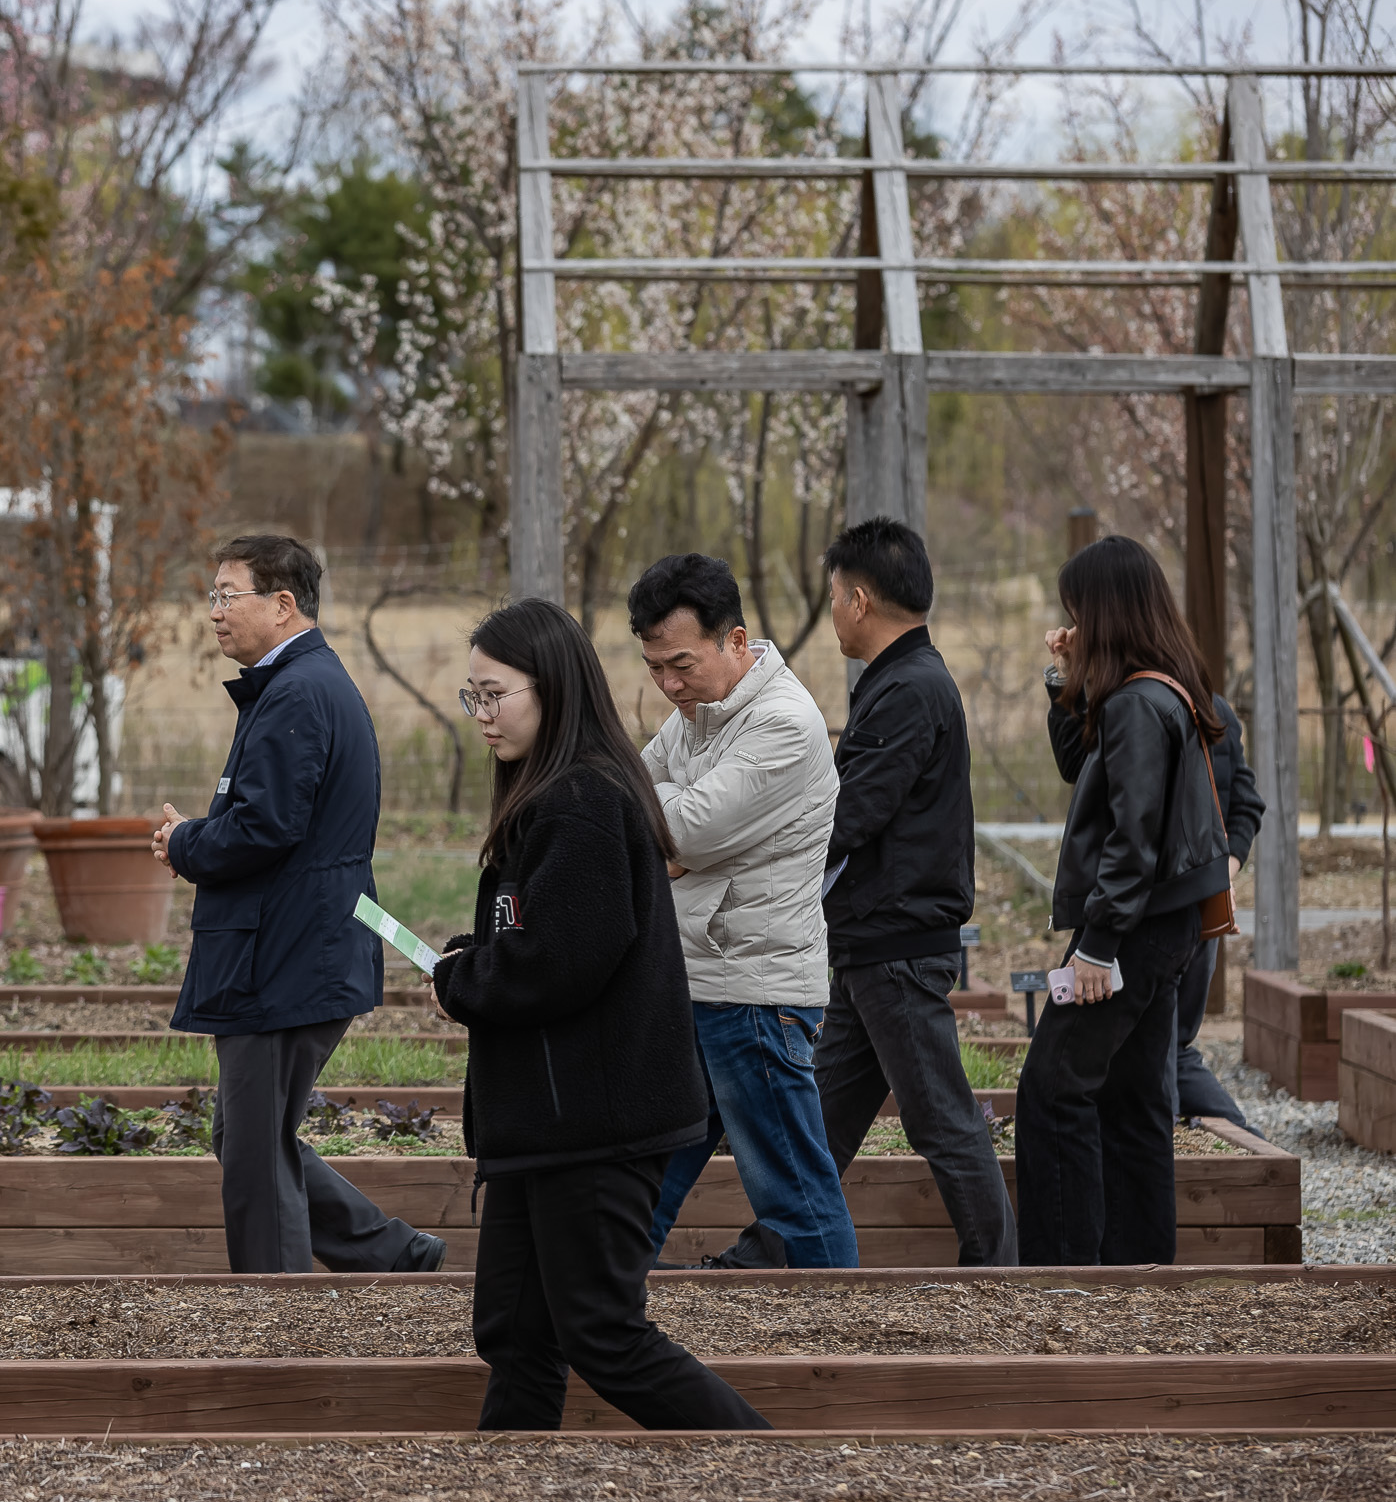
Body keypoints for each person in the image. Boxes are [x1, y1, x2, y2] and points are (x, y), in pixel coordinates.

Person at [431, 599, 770, 1431]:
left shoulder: (582, 800)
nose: (481, 715)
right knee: (516, 1331)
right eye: (470, 695)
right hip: (544, 1125)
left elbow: (559, 964)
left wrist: (466, 978)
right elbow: (539, 932)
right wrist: (475, 950)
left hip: (594, 1121)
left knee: (603, 1331)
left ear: (551, 689)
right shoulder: (550, 794)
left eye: (493, 693)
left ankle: (766, 1461)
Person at [152, 534, 443, 1275]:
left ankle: (275, 1319)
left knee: (253, 1150)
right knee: (248, 1136)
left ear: (283, 605)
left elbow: (265, 827)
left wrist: (187, 842)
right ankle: (395, 1252)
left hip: (281, 954)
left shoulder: (297, 692)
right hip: (290, 946)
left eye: (227, 594)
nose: (213, 612)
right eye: (211, 596)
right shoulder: (298, 685)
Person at [630, 553, 858, 1270]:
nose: (669, 686)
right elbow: (627, 793)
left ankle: (848, 1351)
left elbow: (675, 831)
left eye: (681, 664)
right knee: (647, 1175)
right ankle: (602, 1304)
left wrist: (666, 832)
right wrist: (663, 829)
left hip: (756, 994)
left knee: (794, 1194)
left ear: (736, 641)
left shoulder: (785, 725)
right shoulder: (702, 711)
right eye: (655, 667)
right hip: (700, 980)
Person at [1021, 535, 1232, 1266]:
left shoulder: (1141, 703)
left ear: (1105, 610)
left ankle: (1063, 1270)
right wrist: (1064, 677)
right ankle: (1140, 1266)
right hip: (1163, 925)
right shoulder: (1150, 690)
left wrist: (1096, 946)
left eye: (1077, 610)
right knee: (1136, 1095)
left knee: (1052, 1087)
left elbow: (1133, 839)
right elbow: (1079, 764)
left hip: (1132, 929)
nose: (1070, 623)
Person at [811, 519, 1015, 1266]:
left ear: (860, 599)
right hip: (871, 942)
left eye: (834, 595)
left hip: (894, 943)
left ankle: (997, 1273)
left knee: (942, 1120)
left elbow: (849, 812)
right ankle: (776, 1248)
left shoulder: (907, 690)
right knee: (822, 1119)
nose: (831, 609)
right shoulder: (902, 681)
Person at [1171, 696, 1262, 1127]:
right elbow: (1248, 803)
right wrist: (1226, 869)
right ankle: (1252, 1146)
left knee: (1161, 1049)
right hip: (1207, 908)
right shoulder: (1216, 708)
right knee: (1176, 1049)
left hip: (1169, 911)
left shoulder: (1142, 703)